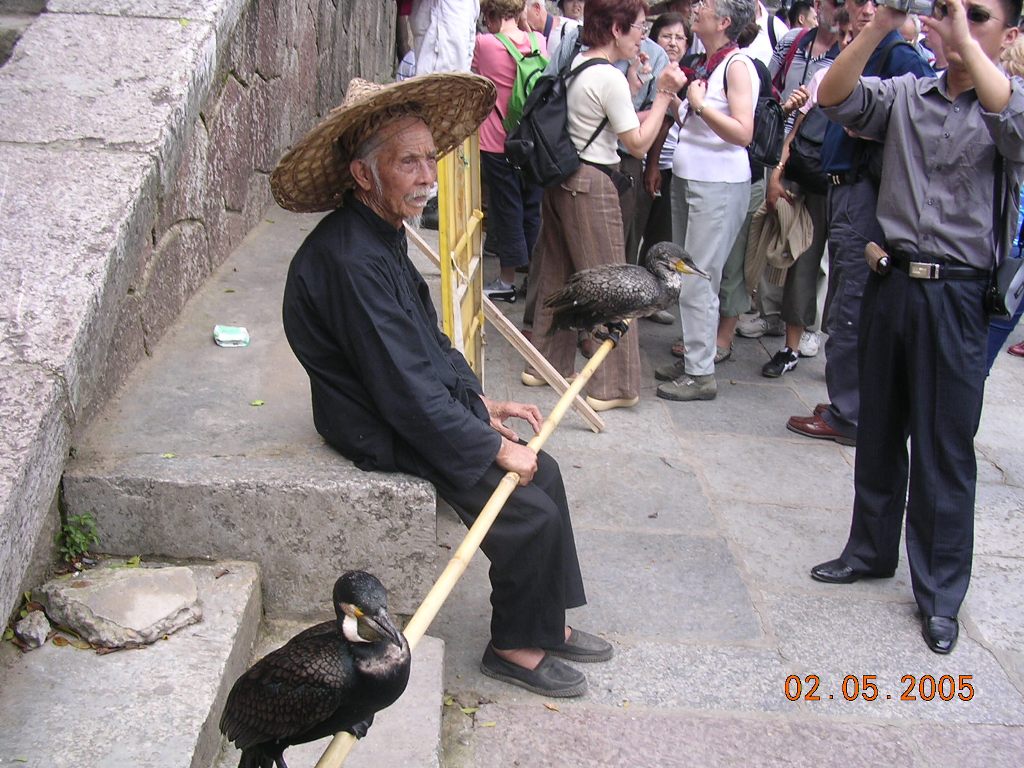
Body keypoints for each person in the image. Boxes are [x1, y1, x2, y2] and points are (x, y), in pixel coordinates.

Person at [276, 73, 613, 697]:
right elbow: (402, 391)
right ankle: (513, 646)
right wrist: (489, 445)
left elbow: (426, 344)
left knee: (548, 471)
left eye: (430, 158)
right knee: (525, 506)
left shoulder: (379, 236)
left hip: (403, 397)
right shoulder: (350, 259)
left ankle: (545, 622)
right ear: (362, 175)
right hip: (373, 419)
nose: (427, 175)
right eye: (408, 162)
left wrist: (481, 401)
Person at [809, 0, 1023, 655]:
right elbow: (835, 97)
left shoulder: (1006, 102)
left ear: (1009, 34)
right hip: (893, 281)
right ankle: (869, 551)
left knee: (945, 448)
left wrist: (967, 45)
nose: (956, 23)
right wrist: (877, 27)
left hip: (958, 295)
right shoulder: (908, 92)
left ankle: (939, 593)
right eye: (951, 10)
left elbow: (1011, 123)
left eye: (977, 14)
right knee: (879, 428)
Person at [524, 0, 687, 412]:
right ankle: (617, 385)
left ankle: (546, 362)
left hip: (563, 178)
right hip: (592, 184)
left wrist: (636, 90)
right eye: (637, 28)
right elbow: (636, 142)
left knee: (558, 274)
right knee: (618, 289)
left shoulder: (581, 62)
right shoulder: (607, 76)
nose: (643, 37)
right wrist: (665, 95)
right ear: (616, 29)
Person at [786, 0, 933, 440]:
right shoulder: (866, 48)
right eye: (858, 1)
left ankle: (848, 412)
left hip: (862, 189)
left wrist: (872, 126)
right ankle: (847, 401)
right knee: (846, 297)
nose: (866, 9)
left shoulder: (897, 53)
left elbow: (924, 117)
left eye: (878, 3)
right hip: (842, 186)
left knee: (851, 300)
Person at [654, 0, 759, 403]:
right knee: (688, 276)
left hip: (717, 185)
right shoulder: (709, 63)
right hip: (692, 179)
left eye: (707, 5)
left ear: (725, 21)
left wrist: (696, 104)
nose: (697, 8)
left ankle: (700, 372)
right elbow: (700, 124)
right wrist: (682, 103)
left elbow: (742, 131)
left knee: (698, 279)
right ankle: (695, 358)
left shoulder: (737, 66)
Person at [738, 0, 840, 343]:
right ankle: (769, 314)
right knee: (777, 225)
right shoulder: (795, 40)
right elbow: (769, 82)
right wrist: (784, 107)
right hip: (783, 149)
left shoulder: (849, 54)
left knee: (813, 244)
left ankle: (806, 325)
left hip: (824, 159)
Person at [473, 0, 548, 301]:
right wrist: (526, 28)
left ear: (489, 14)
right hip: (532, 140)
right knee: (531, 205)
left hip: (497, 140)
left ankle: (506, 281)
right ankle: (533, 276)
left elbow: (475, 77)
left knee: (507, 209)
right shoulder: (539, 41)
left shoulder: (486, 44)